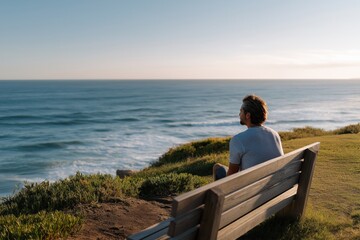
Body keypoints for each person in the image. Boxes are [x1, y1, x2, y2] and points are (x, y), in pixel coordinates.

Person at [213, 94, 284, 180]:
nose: (239, 114)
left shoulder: (238, 140)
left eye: (241, 111)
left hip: (250, 190)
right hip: (275, 186)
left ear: (248, 115)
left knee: (218, 168)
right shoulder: (274, 134)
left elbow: (231, 175)